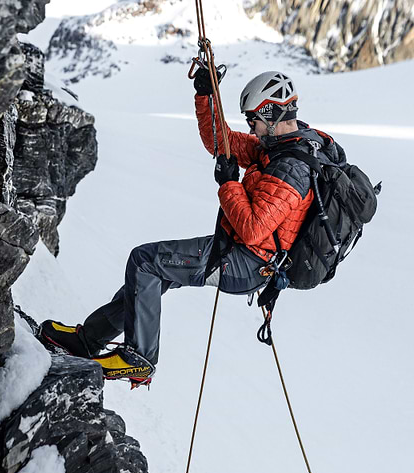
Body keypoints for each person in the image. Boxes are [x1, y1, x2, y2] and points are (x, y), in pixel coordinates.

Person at [40, 70, 343, 387]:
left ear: (271, 111)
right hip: (239, 250)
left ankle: (139, 358)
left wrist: (228, 183)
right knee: (152, 274)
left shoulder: (291, 166)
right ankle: (88, 339)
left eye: (253, 118)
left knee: (146, 262)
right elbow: (219, 141)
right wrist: (205, 95)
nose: (250, 125)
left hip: (247, 263)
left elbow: (254, 228)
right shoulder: (278, 145)